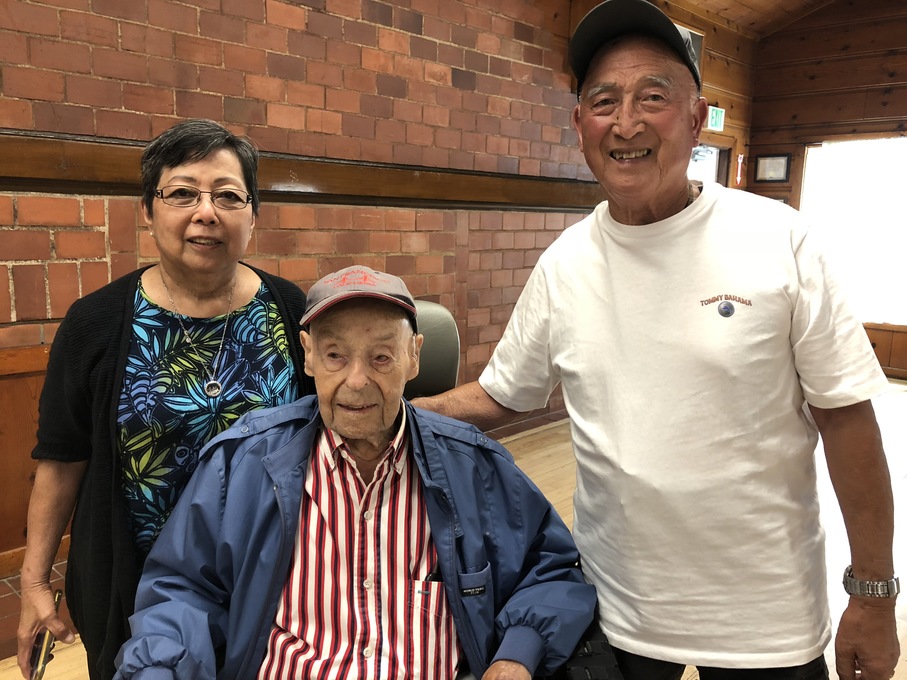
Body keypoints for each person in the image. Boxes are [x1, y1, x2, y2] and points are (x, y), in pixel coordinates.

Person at [413, 1, 901, 679]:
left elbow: (848, 421)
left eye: (653, 97)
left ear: (697, 117)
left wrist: (873, 596)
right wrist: (391, 411)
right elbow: (501, 394)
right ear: (580, 123)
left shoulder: (779, 238)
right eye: (604, 100)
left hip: (764, 620)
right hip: (619, 610)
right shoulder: (565, 261)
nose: (627, 123)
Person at [113, 265, 596, 680]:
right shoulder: (242, 464)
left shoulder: (473, 467)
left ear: (414, 357)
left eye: (382, 356)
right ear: (307, 354)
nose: (357, 380)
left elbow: (550, 567)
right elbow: (182, 592)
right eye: (335, 355)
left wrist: (517, 657)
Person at [17, 119, 315, 680]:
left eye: (228, 195)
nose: (207, 211)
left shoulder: (289, 308)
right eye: (182, 193)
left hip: (272, 575)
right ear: (149, 212)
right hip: (132, 585)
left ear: (253, 215)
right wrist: (34, 581)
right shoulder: (94, 324)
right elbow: (61, 459)